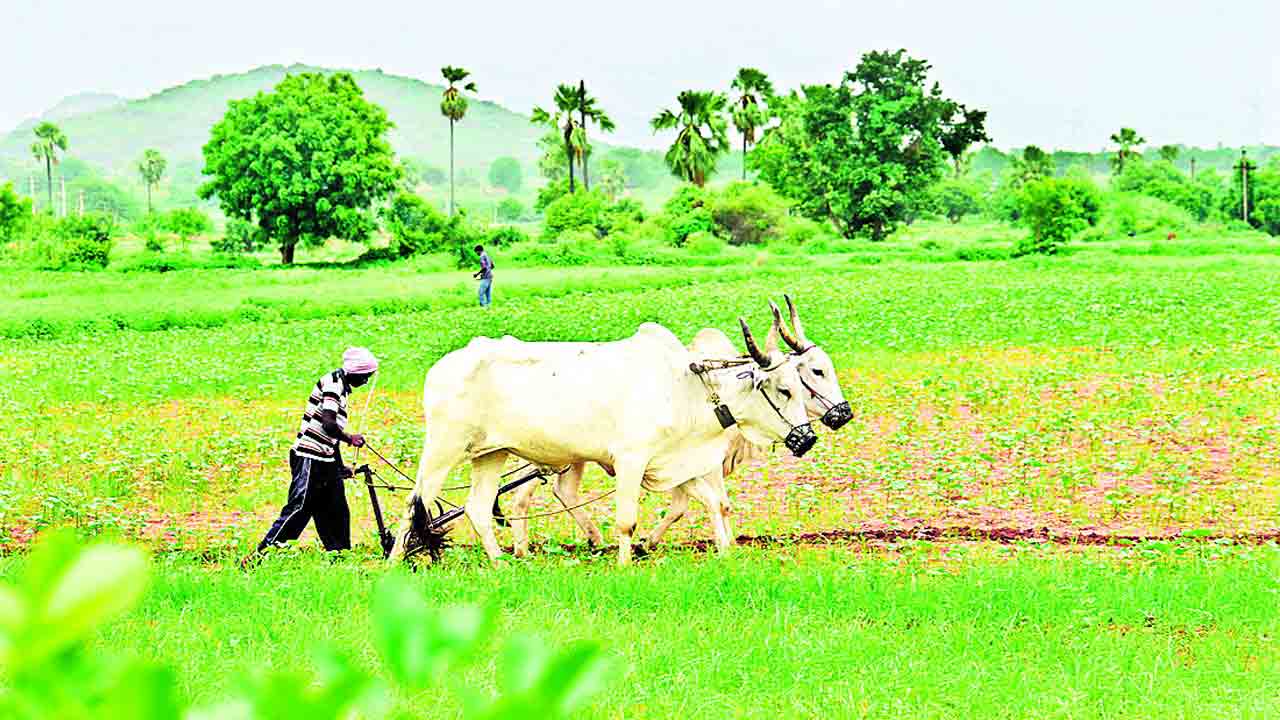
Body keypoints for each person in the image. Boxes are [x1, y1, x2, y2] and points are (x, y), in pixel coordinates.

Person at [251, 347, 378, 557]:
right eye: (365, 377)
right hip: (309, 458)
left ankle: (339, 556)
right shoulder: (333, 386)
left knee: (336, 510)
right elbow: (328, 424)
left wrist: (339, 466)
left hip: (325, 458)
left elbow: (330, 437)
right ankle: (262, 554)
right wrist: (350, 438)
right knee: (299, 508)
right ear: (355, 372)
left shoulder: (342, 387)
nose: (365, 382)